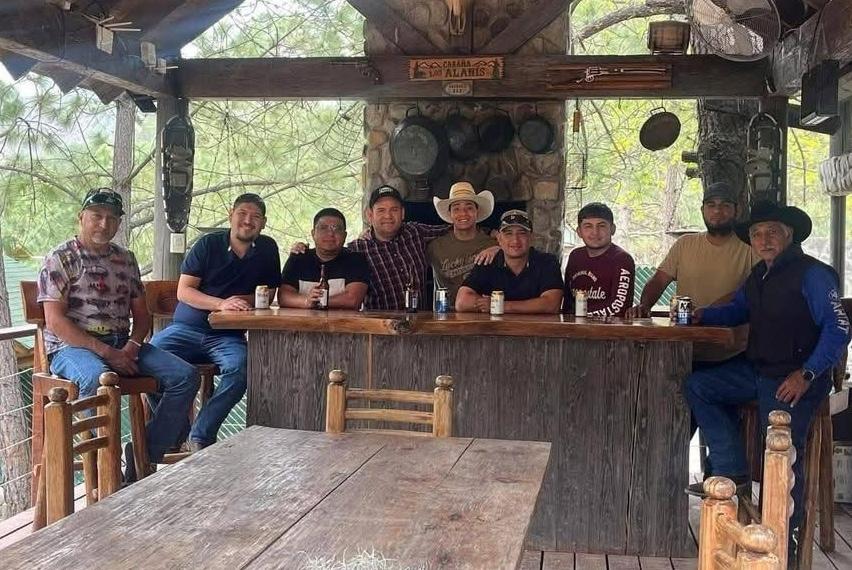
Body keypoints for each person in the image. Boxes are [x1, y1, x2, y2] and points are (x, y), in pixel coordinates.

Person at [685, 201, 850, 558]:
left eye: (772, 232)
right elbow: (737, 309)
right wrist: (703, 315)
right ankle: (731, 471)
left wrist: (807, 373)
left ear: (789, 235)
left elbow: (839, 329)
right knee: (699, 386)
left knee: (782, 456)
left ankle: (785, 543)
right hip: (758, 372)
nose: (764, 239)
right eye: (757, 234)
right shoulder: (759, 274)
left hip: (794, 378)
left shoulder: (813, 274)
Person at [37, 188, 198, 477]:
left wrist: (132, 346)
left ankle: (142, 458)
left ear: (119, 223)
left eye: (112, 218)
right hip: (70, 348)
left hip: (123, 343)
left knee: (185, 376)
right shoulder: (60, 257)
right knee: (95, 380)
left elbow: (142, 316)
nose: (104, 223)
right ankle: (106, 472)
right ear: (81, 217)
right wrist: (109, 354)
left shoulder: (126, 259)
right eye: (97, 216)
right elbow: (55, 321)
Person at [150, 193, 281, 452]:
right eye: (242, 213)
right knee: (150, 357)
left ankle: (201, 434)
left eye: (255, 216)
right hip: (185, 330)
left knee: (242, 368)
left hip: (227, 335)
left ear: (263, 223)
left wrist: (238, 302)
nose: (248, 220)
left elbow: (268, 294)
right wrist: (221, 303)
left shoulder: (267, 249)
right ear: (231, 215)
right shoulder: (208, 244)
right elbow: (184, 291)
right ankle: (176, 432)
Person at [627, 181, 759, 364]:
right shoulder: (685, 244)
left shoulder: (752, 248)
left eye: (725, 205)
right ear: (702, 210)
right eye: (711, 205)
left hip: (730, 351)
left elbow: (753, 291)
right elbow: (659, 280)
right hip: (683, 347)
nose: (717, 211)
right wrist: (644, 306)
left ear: (737, 210)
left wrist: (709, 313)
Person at [456, 210, 563, 314]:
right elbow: (462, 302)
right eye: (508, 233)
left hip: (536, 326)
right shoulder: (488, 261)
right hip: (494, 326)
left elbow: (552, 305)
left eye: (522, 233)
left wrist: (499, 306)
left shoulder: (547, 262)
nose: (515, 240)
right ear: (499, 238)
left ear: (531, 237)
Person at [279, 208, 369, 309]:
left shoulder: (355, 260)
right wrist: (306, 301)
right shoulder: (298, 258)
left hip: (342, 319)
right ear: (313, 233)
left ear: (345, 235)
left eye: (336, 229)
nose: (330, 233)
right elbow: (283, 297)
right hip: (301, 319)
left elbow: (353, 300)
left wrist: (316, 301)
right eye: (323, 228)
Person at [427, 181, 498, 307]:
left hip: (482, 312)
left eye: (469, 208)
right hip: (444, 314)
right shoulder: (435, 246)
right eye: (456, 209)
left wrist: (499, 248)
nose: (463, 213)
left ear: (477, 211)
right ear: (450, 214)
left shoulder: (492, 244)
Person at [562, 202, 635, 317]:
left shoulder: (622, 259)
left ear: (612, 229)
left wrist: (580, 315)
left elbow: (618, 307)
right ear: (579, 232)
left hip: (608, 326)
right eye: (588, 226)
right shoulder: (575, 256)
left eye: (601, 226)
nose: (595, 232)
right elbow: (567, 301)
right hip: (574, 325)